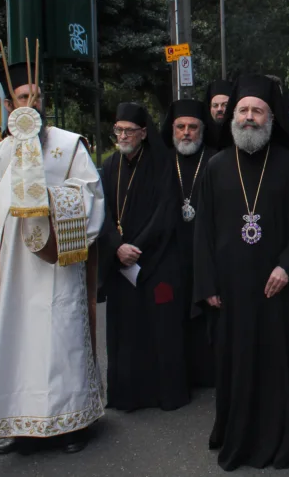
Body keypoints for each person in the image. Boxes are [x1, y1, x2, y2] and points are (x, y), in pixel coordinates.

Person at [0, 60, 104, 455]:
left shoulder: (69, 145)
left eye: (36, 96)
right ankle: (22, 425)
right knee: (19, 344)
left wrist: (48, 200)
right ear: (11, 103)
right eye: (22, 96)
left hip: (58, 263)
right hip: (18, 271)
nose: (30, 102)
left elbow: (91, 194)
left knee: (61, 340)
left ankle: (73, 423)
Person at [192, 74, 289, 471]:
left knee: (278, 364)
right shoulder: (214, 167)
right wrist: (207, 283)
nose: (249, 117)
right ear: (233, 116)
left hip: (276, 288)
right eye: (243, 110)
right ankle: (237, 436)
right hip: (230, 291)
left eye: (257, 110)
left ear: (271, 118)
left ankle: (281, 436)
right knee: (236, 363)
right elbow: (203, 232)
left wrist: (287, 266)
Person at [98, 103, 188, 412]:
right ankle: (127, 395)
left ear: (144, 133)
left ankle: (163, 394)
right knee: (125, 331)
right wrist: (116, 247)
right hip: (120, 260)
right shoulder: (110, 166)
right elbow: (102, 214)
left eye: (129, 131)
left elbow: (166, 213)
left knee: (158, 330)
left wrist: (136, 247)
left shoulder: (163, 164)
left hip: (155, 260)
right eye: (119, 130)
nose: (123, 135)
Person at [163, 98, 219, 389]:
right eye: (180, 127)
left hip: (206, 248)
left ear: (202, 129)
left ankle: (207, 374)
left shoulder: (215, 160)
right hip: (171, 251)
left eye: (192, 127)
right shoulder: (163, 160)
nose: (186, 133)